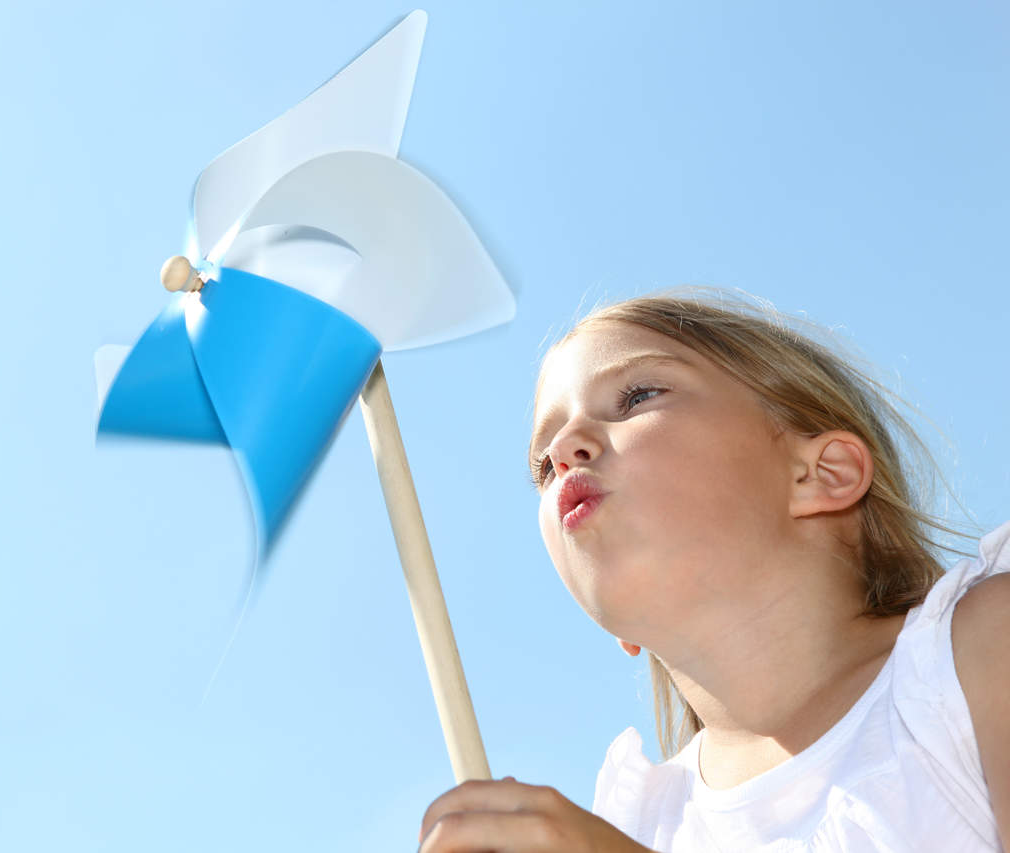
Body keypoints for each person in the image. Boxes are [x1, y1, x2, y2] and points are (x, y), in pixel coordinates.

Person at [417, 290, 1008, 852]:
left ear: (822, 474)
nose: (564, 446)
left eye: (636, 397)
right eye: (544, 468)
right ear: (621, 630)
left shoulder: (979, 652)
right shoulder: (641, 824)